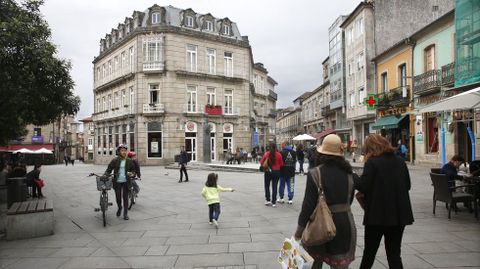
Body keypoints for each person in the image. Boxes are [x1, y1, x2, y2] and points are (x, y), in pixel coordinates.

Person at [294, 134, 357, 269]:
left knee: (316, 262)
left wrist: (299, 231)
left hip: (320, 225)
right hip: (344, 223)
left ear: (322, 153)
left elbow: (308, 206)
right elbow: (349, 200)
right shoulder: (350, 174)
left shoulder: (315, 173)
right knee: (340, 265)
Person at [355, 134, 414, 269]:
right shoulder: (400, 161)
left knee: (369, 252)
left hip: (377, 216)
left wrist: (354, 177)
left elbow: (364, 186)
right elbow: (408, 185)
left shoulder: (372, 162)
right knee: (394, 253)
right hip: (398, 216)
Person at [105, 144, 135, 220]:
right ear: (118, 152)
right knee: (118, 197)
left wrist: (132, 174)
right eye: (122, 150)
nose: (124, 152)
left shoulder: (129, 160)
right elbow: (109, 169)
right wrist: (105, 175)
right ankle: (119, 207)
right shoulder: (115, 160)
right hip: (117, 182)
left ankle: (125, 213)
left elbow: (133, 171)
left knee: (125, 198)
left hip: (126, 181)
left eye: (125, 150)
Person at [259, 143, 284, 207]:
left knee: (267, 185)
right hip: (276, 172)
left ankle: (268, 200)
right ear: (275, 147)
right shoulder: (279, 154)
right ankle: (274, 202)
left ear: (269, 147)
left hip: (268, 171)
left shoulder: (266, 154)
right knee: (275, 186)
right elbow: (281, 164)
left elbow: (261, 162)